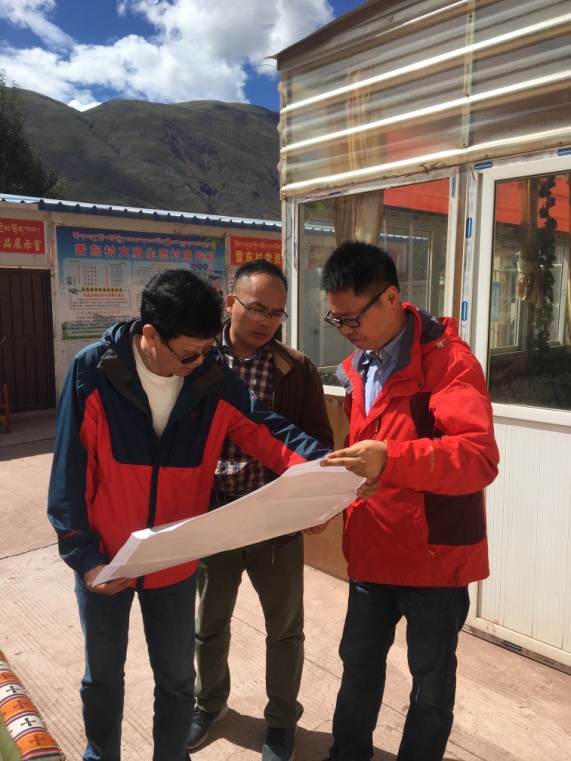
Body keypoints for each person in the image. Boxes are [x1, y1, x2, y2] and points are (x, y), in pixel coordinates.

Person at [47, 268, 333, 761]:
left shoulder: (210, 378)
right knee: (103, 680)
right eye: (188, 354)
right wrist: (84, 557)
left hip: (174, 565)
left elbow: (269, 432)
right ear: (150, 334)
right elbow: (67, 474)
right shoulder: (93, 372)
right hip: (105, 565)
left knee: (178, 682)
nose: (199, 362)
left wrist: (328, 472)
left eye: (206, 351)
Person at [318, 241, 499, 761]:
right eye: (336, 320)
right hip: (372, 550)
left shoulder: (448, 362)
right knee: (358, 667)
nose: (345, 330)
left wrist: (391, 459)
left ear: (392, 298)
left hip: (433, 560)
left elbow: (477, 457)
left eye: (352, 318)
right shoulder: (359, 365)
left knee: (430, 686)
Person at [189, 259, 334, 761]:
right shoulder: (198, 359)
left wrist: (313, 504)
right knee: (209, 623)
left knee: (284, 630)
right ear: (230, 302)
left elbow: (316, 441)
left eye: (277, 313)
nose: (266, 321)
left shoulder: (297, 368)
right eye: (256, 309)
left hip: (275, 522)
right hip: (215, 516)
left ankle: (281, 721)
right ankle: (208, 704)